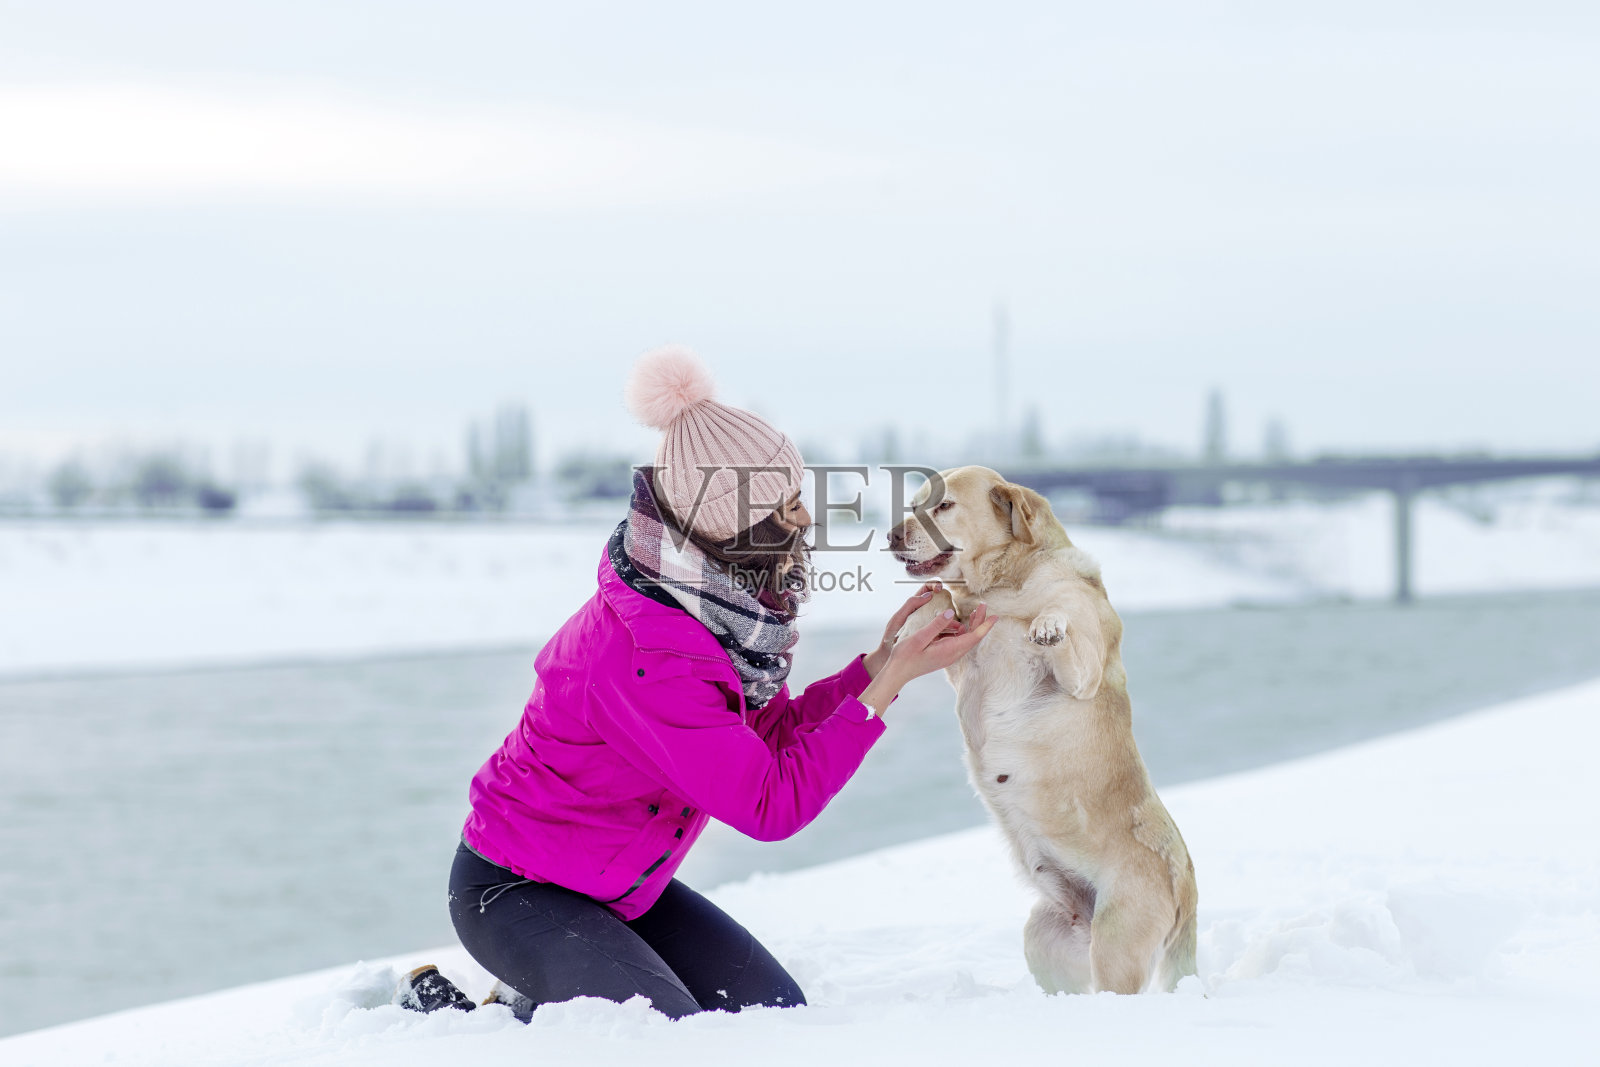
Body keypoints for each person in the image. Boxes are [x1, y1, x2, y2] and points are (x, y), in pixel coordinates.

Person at [398, 346, 996, 1020]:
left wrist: (879, 664)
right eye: (788, 505)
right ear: (729, 526)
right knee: (661, 1036)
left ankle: (540, 989)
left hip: (614, 887)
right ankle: (464, 1018)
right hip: (513, 890)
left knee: (768, 1009)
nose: (806, 522)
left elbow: (760, 743)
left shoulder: (714, 614)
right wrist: (883, 692)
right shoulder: (648, 653)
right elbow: (771, 804)